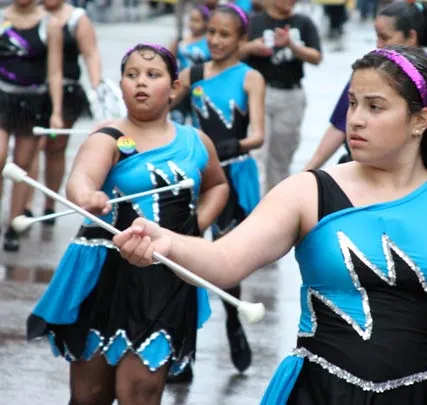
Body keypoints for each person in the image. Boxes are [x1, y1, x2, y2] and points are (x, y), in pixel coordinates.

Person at [114, 45, 427, 404]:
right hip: (319, 392)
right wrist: (168, 244)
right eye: (352, 103)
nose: (355, 119)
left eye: (375, 107)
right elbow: (224, 260)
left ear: (420, 120)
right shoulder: (309, 191)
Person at [26, 43, 229, 405]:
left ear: (174, 88)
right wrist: (87, 195)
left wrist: (195, 224)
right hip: (103, 272)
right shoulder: (110, 137)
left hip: (165, 273)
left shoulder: (196, 142)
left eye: (153, 75)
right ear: (120, 85)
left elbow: (217, 185)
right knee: (91, 395)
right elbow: (81, 178)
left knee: (140, 391)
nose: (141, 82)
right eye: (131, 75)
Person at [175, 3, 266, 374]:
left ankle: (232, 321)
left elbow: (258, 135)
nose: (214, 40)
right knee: (183, 258)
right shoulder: (192, 73)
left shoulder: (251, 78)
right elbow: (157, 104)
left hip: (233, 177)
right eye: (211, 31)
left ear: (242, 39)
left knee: (226, 259)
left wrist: (233, 146)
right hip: (196, 176)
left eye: (224, 34)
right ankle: (183, 351)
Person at [304, 2, 427, 178]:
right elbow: (338, 127)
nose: (356, 120)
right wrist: (308, 173)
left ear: (411, 37)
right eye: (353, 103)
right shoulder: (372, 70)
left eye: (384, 37)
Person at [24, 0, 102, 225]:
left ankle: (49, 202)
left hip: (66, 92)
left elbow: (90, 53)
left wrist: (97, 87)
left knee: (55, 148)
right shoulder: (29, 14)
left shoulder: (77, 18)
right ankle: (26, 204)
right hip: (31, 92)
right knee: (30, 147)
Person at [0, 0, 63, 251]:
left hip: (33, 101)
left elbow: (55, 71)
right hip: (1, 96)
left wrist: (57, 111)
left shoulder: (50, 25)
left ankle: (13, 226)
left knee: (22, 164)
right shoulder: (2, 19)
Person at [240, 0, 322, 192]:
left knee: (281, 158)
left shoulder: (303, 22)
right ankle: (255, 203)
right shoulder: (254, 22)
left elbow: (316, 57)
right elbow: (233, 51)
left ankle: (277, 201)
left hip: (291, 94)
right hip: (259, 94)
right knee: (256, 155)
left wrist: (292, 46)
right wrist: (252, 47)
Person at [169, 4, 211, 125]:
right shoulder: (181, 41)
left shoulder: (209, 43)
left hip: (200, 88)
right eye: (191, 19)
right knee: (177, 121)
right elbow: (168, 61)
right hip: (181, 87)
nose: (192, 24)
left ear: (206, 22)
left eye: (197, 20)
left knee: (198, 122)